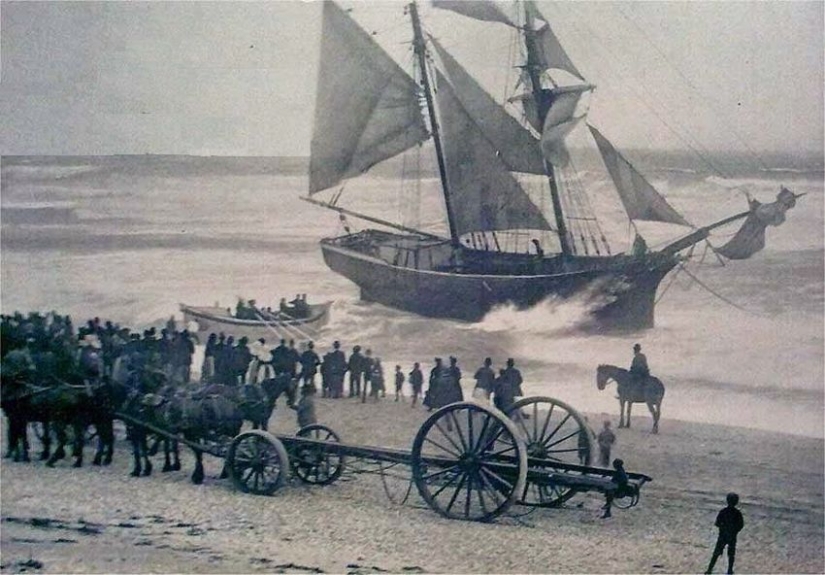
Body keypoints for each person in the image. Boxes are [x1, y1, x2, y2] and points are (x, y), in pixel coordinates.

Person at [706, 493, 745, 575]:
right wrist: (734, 530)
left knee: (716, 553)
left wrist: (723, 528)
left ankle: (710, 569)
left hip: (723, 535)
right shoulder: (737, 513)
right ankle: (729, 570)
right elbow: (740, 525)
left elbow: (717, 523)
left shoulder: (723, 511)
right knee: (731, 554)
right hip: (732, 536)